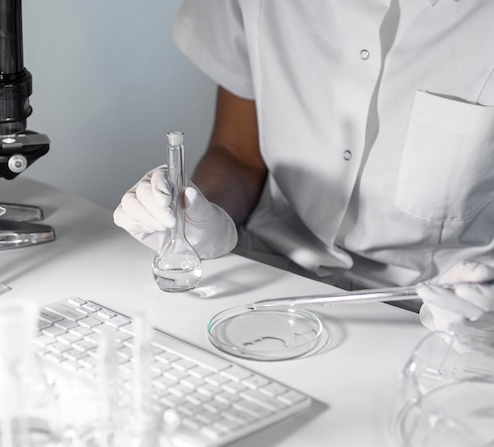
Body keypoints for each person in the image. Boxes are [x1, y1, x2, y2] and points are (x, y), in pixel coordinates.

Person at [114, 0, 494, 334]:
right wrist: (200, 217)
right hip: (268, 281)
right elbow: (237, 155)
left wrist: (485, 308)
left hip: (431, 312)